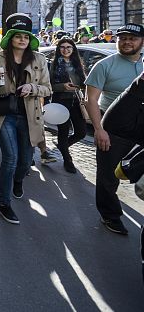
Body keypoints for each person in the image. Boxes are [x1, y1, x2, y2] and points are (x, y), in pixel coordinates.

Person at [0, 14, 52, 225]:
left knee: (25, 161)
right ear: (10, 38)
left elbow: (47, 89)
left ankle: (18, 180)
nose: (22, 40)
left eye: (26, 36)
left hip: (30, 116)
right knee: (10, 158)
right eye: (18, 36)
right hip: (5, 115)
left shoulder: (39, 59)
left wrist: (32, 88)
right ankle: (4, 203)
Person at [85, 23, 144, 236]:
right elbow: (90, 99)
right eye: (122, 38)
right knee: (108, 176)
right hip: (114, 128)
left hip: (141, 127)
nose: (127, 42)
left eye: (132, 38)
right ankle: (110, 215)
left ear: (142, 41)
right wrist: (99, 129)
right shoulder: (104, 65)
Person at [48, 37, 87, 174]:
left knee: (81, 132)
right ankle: (67, 159)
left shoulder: (77, 63)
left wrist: (83, 90)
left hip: (76, 101)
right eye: (62, 47)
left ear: (73, 49)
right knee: (63, 131)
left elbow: (83, 83)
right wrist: (63, 86)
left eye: (69, 47)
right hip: (60, 101)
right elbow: (49, 86)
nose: (66, 50)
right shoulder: (52, 65)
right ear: (58, 49)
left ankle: (62, 146)